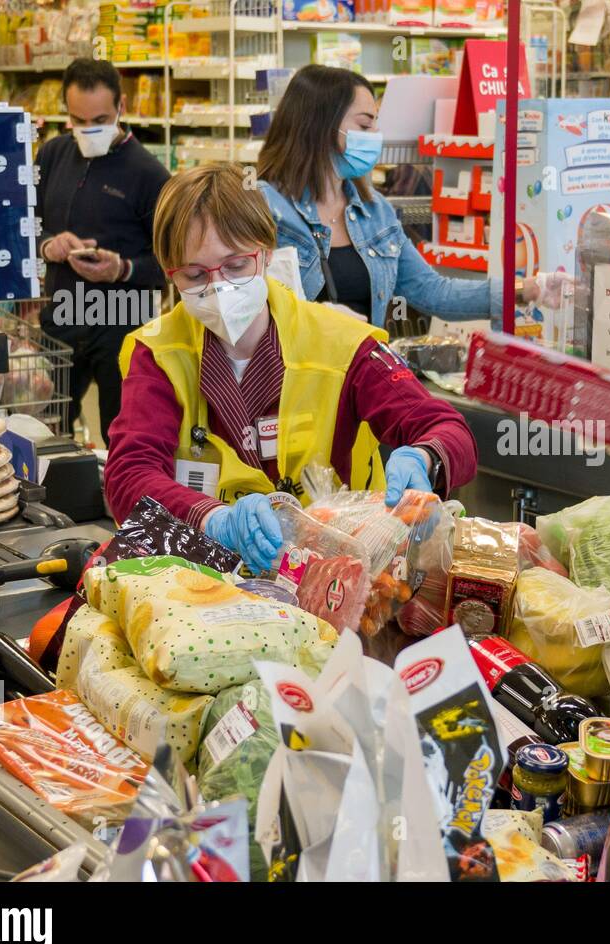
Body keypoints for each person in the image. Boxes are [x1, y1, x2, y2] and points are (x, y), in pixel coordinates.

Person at [105, 163, 477, 573]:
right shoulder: (158, 352)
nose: (220, 288)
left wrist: (424, 456)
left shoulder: (342, 343)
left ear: (265, 252)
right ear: (170, 274)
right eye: (195, 275)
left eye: (235, 266)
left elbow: (449, 430)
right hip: (211, 581)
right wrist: (213, 518)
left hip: (341, 576)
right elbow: (127, 474)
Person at [256, 65, 503, 327]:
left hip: (363, 365)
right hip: (298, 367)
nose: (375, 137)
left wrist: (522, 291)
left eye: (376, 125)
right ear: (320, 125)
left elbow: (434, 292)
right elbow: (244, 310)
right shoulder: (265, 207)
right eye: (364, 125)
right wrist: (313, 319)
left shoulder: (374, 211)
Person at [37, 57, 169, 444]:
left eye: (100, 119)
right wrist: (50, 245)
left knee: (124, 435)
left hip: (123, 321)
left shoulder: (150, 175)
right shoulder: (52, 155)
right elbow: (28, 224)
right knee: (48, 428)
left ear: (121, 109)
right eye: (79, 120)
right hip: (63, 312)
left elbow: (172, 262)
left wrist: (122, 268)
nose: (89, 129)